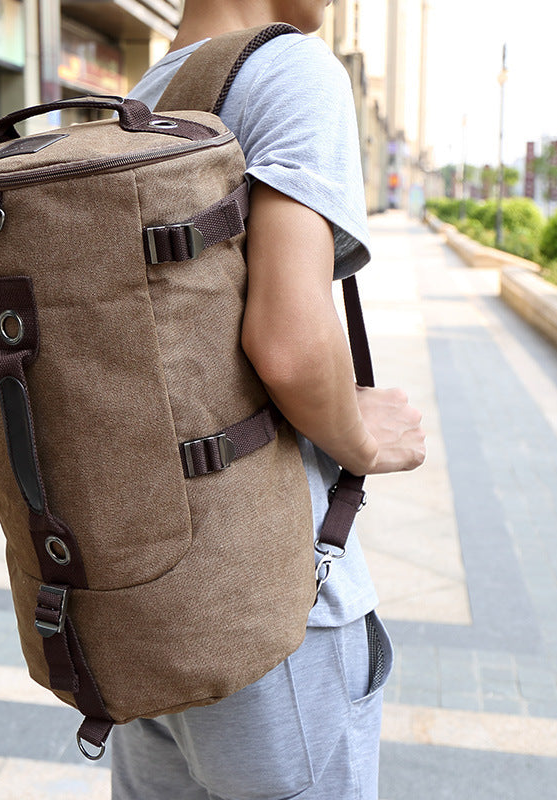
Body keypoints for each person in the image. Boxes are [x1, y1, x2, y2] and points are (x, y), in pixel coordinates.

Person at [112, 1, 427, 798]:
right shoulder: (290, 69)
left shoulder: (137, 99)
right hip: (269, 609)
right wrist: (364, 441)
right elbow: (288, 344)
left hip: (138, 615)